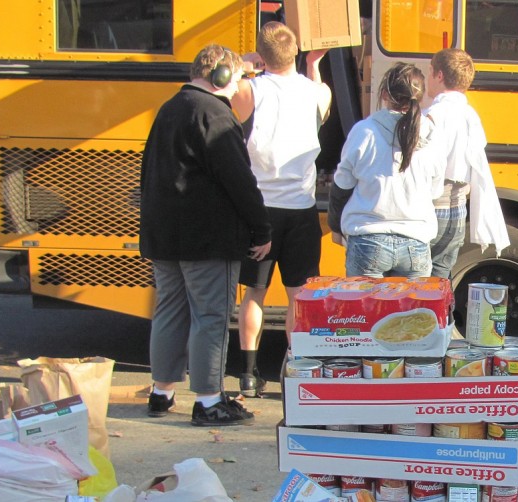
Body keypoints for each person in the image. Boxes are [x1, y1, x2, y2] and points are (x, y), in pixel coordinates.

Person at [140, 44, 272, 426]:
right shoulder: (216, 114)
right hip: (207, 239)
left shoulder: (169, 108)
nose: (239, 88)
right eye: (239, 78)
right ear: (221, 77)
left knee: (169, 312)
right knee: (210, 316)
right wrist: (260, 227)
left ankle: (161, 393)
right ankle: (209, 400)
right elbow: (239, 180)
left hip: (163, 236)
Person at [230, 21, 332, 398]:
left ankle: (248, 374)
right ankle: (293, 371)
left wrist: (243, 65)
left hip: (259, 211)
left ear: (262, 54)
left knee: (253, 295)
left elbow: (225, 93)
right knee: (297, 298)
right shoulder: (318, 93)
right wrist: (315, 65)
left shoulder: (247, 90)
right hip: (301, 210)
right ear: (296, 54)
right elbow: (320, 104)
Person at [327, 62, 445, 278]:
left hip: (367, 239)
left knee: (365, 312)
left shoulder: (364, 131)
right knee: (412, 312)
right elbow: (435, 193)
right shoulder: (432, 136)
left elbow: (342, 185)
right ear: (420, 97)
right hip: (416, 242)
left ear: (383, 94)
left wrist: (335, 225)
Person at [424, 48, 510, 280]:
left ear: (439, 75)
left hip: (432, 207)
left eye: (430, 73)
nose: (427, 80)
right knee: (441, 280)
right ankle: (442, 317)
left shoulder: (433, 115)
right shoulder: (471, 115)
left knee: (419, 284)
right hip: (458, 208)